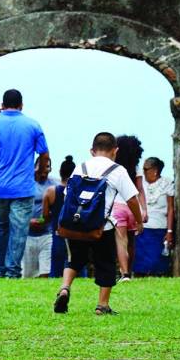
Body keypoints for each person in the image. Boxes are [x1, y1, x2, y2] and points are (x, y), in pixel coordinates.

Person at [53, 132, 142, 316]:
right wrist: (139, 221)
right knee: (106, 263)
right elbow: (132, 199)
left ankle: (64, 288)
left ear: (92, 150)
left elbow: (66, 195)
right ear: (115, 151)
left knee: (73, 259)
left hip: (75, 225)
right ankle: (102, 305)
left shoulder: (81, 166)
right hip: (102, 227)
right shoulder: (117, 170)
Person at [0, 89, 50, 278]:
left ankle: (1, 268)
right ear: (21, 105)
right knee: (19, 229)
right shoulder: (33, 125)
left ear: (2, 105)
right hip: (23, 187)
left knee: (2, 227)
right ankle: (12, 270)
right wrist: (40, 171)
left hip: (0, 186)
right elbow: (44, 153)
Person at [133, 157, 174, 276]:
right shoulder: (141, 184)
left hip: (159, 228)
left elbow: (171, 208)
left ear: (155, 170)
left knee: (157, 263)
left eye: (146, 169)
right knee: (140, 262)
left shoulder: (167, 183)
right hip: (142, 228)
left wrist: (169, 230)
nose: (143, 172)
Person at [112, 135, 144, 282]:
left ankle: (124, 273)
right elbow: (140, 190)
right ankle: (129, 271)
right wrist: (143, 210)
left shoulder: (114, 168)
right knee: (131, 242)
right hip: (133, 207)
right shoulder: (135, 168)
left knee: (121, 241)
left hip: (117, 207)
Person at [22, 159, 56, 278]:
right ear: (34, 167)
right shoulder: (25, 183)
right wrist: (28, 221)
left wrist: (46, 218)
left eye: (47, 167)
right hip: (27, 234)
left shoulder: (53, 185)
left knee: (45, 272)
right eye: (41, 166)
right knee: (27, 274)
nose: (44, 169)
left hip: (47, 234)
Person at [45, 156, 77, 278]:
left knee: (55, 269)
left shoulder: (51, 191)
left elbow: (45, 215)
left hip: (57, 234)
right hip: (75, 235)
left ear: (60, 172)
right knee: (76, 266)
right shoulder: (76, 192)